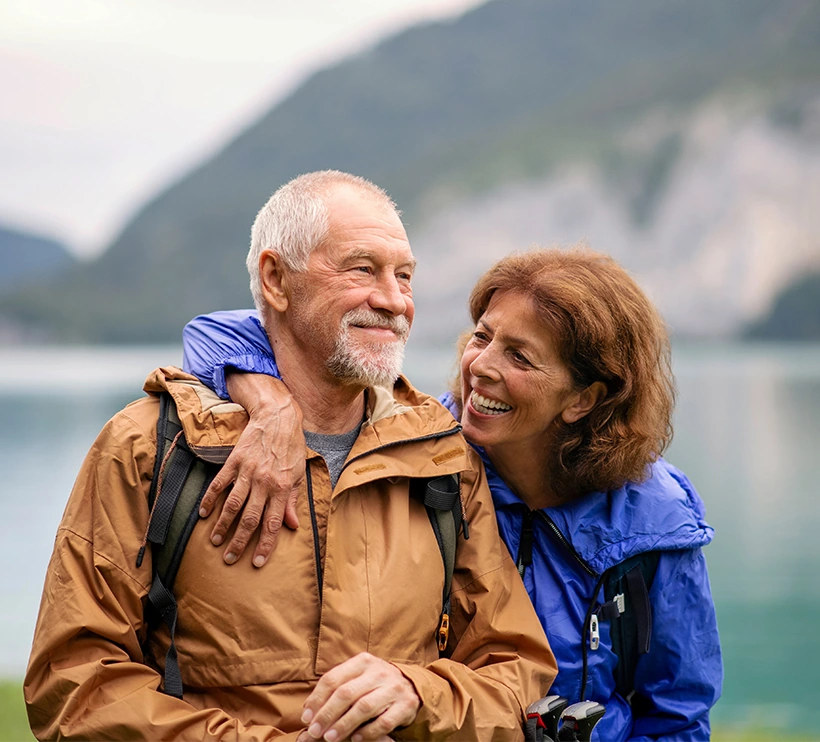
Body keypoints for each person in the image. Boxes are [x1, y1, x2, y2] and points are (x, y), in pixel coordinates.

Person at [24, 171, 557, 741]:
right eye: (361, 268)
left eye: (404, 276)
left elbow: (515, 670)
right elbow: (75, 687)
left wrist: (418, 694)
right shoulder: (148, 447)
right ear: (276, 279)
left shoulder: (442, 454)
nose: (395, 300)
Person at [180, 247, 724, 740]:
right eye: (482, 336)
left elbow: (677, 714)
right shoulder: (425, 451)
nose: (480, 367)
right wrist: (271, 404)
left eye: (520, 356)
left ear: (583, 398)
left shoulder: (654, 521)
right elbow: (211, 333)